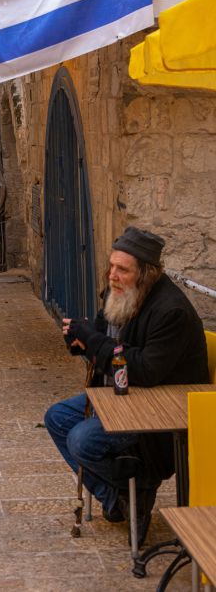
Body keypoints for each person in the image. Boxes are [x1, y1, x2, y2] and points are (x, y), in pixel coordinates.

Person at [45, 226, 209, 545]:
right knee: (57, 418)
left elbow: (146, 370)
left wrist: (92, 340)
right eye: (112, 266)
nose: (113, 275)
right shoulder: (118, 293)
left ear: (147, 273)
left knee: (82, 440)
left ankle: (140, 484)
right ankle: (121, 498)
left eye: (123, 269)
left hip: (158, 412)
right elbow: (100, 336)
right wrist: (80, 342)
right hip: (120, 398)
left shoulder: (171, 311)